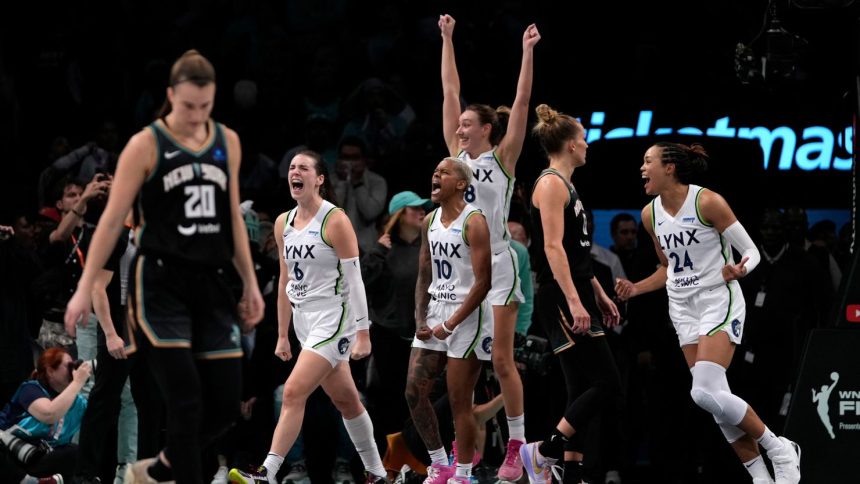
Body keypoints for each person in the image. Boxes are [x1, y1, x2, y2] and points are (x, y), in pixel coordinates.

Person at [64, 49, 265, 484]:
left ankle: (160, 469)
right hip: (159, 283)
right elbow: (112, 221)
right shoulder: (145, 144)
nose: (196, 116)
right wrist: (83, 289)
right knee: (185, 401)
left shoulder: (226, 140)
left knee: (227, 404)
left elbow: (231, 216)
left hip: (211, 281)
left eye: (205, 106)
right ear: (172, 95)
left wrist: (249, 283)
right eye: (188, 106)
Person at [614, 142, 801, 484]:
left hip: (718, 298)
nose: (642, 168)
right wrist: (637, 288)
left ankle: (779, 448)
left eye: (647, 161)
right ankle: (760, 476)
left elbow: (751, 251)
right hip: (682, 307)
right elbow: (667, 268)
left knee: (703, 391)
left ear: (669, 167)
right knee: (714, 396)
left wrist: (740, 270)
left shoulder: (707, 202)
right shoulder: (649, 214)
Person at [228, 150, 386, 484]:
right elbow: (286, 280)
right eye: (291, 167)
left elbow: (355, 280)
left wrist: (363, 333)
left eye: (303, 167)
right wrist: (283, 334)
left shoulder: (335, 220)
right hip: (303, 320)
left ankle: (266, 472)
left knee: (292, 392)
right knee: (346, 399)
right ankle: (377, 471)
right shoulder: (284, 222)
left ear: (319, 179)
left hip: (334, 319)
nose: (294, 172)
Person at [439, 14, 539, 481]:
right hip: (460, 272)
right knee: (464, 374)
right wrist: (447, 39)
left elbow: (521, 101)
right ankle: (465, 454)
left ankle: (517, 445)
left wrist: (527, 52)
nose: (459, 129)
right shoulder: (454, 159)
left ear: (485, 129)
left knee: (501, 359)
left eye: (466, 125)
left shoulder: (503, 160)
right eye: (457, 125)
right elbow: (449, 91)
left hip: (499, 264)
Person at [518, 104, 622, 484]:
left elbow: (577, 253)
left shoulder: (568, 184)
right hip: (560, 295)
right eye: (583, 139)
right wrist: (576, 302)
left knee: (580, 386)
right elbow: (552, 249)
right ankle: (543, 452)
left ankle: (572, 470)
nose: (587, 146)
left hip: (576, 288)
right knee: (609, 383)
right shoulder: (548, 184)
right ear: (568, 144)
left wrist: (597, 291)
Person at [404, 157, 492, 484]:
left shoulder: (474, 221)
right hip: (435, 312)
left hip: (467, 317)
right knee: (414, 392)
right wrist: (419, 316)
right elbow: (424, 271)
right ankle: (440, 464)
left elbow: (484, 282)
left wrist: (452, 323)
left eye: (444, 171)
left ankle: (464, 474)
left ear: (461, 184)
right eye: (435, 169)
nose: (436, 173)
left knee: (459, 401)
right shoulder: (429, 221)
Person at [362, 191, 434, 453]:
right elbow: (359, 282)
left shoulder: (429, 246)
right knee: (389, 401)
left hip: (422, 337)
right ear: (399, 214)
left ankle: (418, 461)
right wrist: (378, 252)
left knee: (420, 402)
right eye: (414, 208)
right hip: (388, 337)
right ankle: (387, 460)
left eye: (423, 208)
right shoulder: (381, 248)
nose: (421, 211)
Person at [0, 347, 91, 483]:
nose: (74, 371)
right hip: (10, 455)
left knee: (74, 453)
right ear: (50, 371)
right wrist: (78, 382)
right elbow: (49, 414)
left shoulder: (78, 402)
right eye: (69, 366)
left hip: (38, 458)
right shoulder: (30, 389)